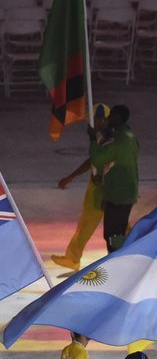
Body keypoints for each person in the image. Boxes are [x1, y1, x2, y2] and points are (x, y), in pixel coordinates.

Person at [52, 104, 111, 270]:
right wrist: (70, 177)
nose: (88, 126)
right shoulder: (102, 136)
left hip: (104, 187)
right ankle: (72, 257)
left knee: (89, 223)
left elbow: (97, 160)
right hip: (98, 184)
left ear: (102, 120)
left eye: (92, 122)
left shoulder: (108, 138)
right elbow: (92, 160)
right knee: (114, 221)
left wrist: (70, 177)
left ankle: (73, 258)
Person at [89, 104, 139, 252]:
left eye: (111, 116)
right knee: (118, 232)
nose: (108, 118)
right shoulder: (130, 137)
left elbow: (98, 159)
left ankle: (116, 258)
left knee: (112, 234)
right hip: (128, 192)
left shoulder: (118, 141)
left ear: (118, 119)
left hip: (118, 194)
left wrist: (93, 140)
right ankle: (119, 257)